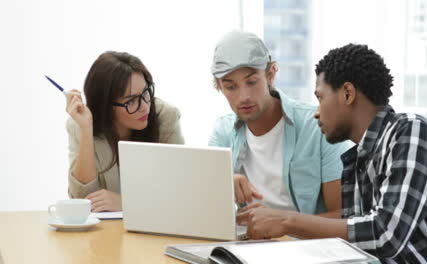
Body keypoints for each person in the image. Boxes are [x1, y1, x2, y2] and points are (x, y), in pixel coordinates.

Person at [237, 43, 427, 263]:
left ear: (347, 93)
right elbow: (353, 246)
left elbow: (385, 234)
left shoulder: (412, 131)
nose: (316, 113)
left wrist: (286, 220)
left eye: (320, 97)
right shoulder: (360, 160)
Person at [209, 31, 349, 217]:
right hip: (248, 241)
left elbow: (342, 216)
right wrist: (223, 183)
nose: (244, 97)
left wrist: (283, 223)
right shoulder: (222, 132)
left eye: (252, 82)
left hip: (306, 243)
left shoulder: (319, 126)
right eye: (230, 87)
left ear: (271, 74)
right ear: (219, 86)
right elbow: (206, 208)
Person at [66, 51, 184, 212]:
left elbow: (180, 194)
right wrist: (86, 130)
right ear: (105, 105)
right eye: (131, 101)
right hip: (105, 232)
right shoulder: (81, 124)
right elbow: (83, 201)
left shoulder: (165, 117)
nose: (144, 107)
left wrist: (126, 203)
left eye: (146, 92)